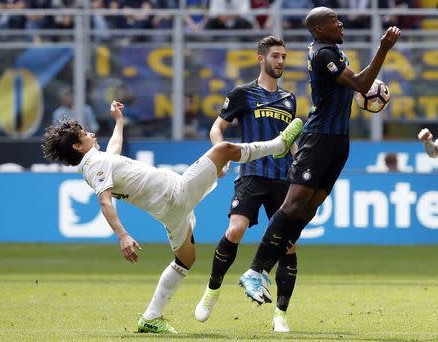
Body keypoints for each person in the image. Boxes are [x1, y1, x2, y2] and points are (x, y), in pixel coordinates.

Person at [42, 100, 302, 334]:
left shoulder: (96, 162)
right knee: (223, 149)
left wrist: (119, 122)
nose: (92, 133)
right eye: (86, 134)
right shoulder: (95, 166)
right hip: (175, 194)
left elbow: (114, 148)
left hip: (169, 212)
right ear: (78, 146)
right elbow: (104, 200)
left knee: (185, 259)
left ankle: (151, 317)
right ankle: (278, 145)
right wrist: (123, 236)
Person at [238, 6, 401, 331]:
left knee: (308, 211)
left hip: (339, 141)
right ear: (320, 29)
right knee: (294, 204)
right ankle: (255, 271)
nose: (340, 23)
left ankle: (261, 271)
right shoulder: (321, 53)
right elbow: (361, 83)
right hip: (318, 138)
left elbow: (357, 82)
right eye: (334, 21)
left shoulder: (334, 50)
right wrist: (382, 48)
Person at [194, 36, 302, 333]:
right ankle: (212, 290)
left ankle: (280, 315)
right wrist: (221, 156)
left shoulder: (289, 99)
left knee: (289, 246)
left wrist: (301, 166)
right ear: (261, 59)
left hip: (284, 179)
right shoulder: (242, 94)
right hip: (252, 173)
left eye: (284, 56)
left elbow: (290, 141)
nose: (281, 61)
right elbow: (217, 128)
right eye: (276, 56)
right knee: (236, 229)